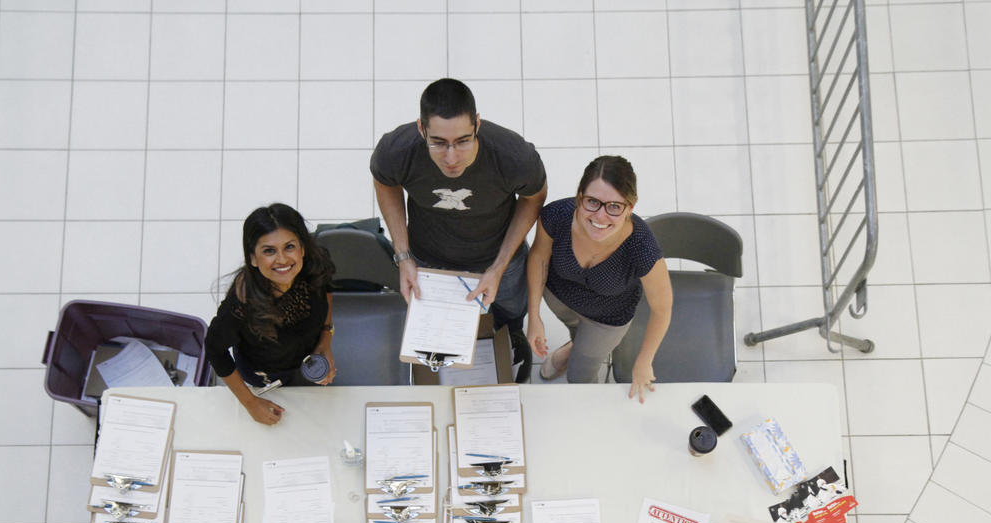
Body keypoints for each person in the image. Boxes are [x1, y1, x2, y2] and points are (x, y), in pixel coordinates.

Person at [370, 78, 547, 380]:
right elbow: (385, 182)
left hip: (499, 254)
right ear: (421, 129)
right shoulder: (397, 150)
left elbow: (535, 196)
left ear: (477, 124)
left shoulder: (513, 155)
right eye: (438, 142)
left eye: (463, 141)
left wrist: (499, 266)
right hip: (429, 256)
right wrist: (404, 256)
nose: (451, 158)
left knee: (511, 310)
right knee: (437, 330)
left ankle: (513, 341)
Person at [526, 156, 673, 402]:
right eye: (592, 202)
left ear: (630, 207)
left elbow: (662, 310)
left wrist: (644, 362)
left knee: (581, 376)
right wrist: (534, 316)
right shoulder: (556, 216)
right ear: (579, 196)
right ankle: (574, 346)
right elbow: (539, 257)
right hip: (559, 295)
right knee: (575, 330)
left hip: (607, 318)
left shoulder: (642, 248)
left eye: (614, 206)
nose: (600, 217)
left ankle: (579, 356)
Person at [206, 203, 336, 425]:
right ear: (253, 258)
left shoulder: (314, 264)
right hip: (264, 372)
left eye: (289, 247)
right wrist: (250, 403)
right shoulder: (241, 304)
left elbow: (327, 292)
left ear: (303, 248)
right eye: (269, 251)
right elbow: (215, 350)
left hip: (306, 355)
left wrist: (325, 339)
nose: (283, 260)